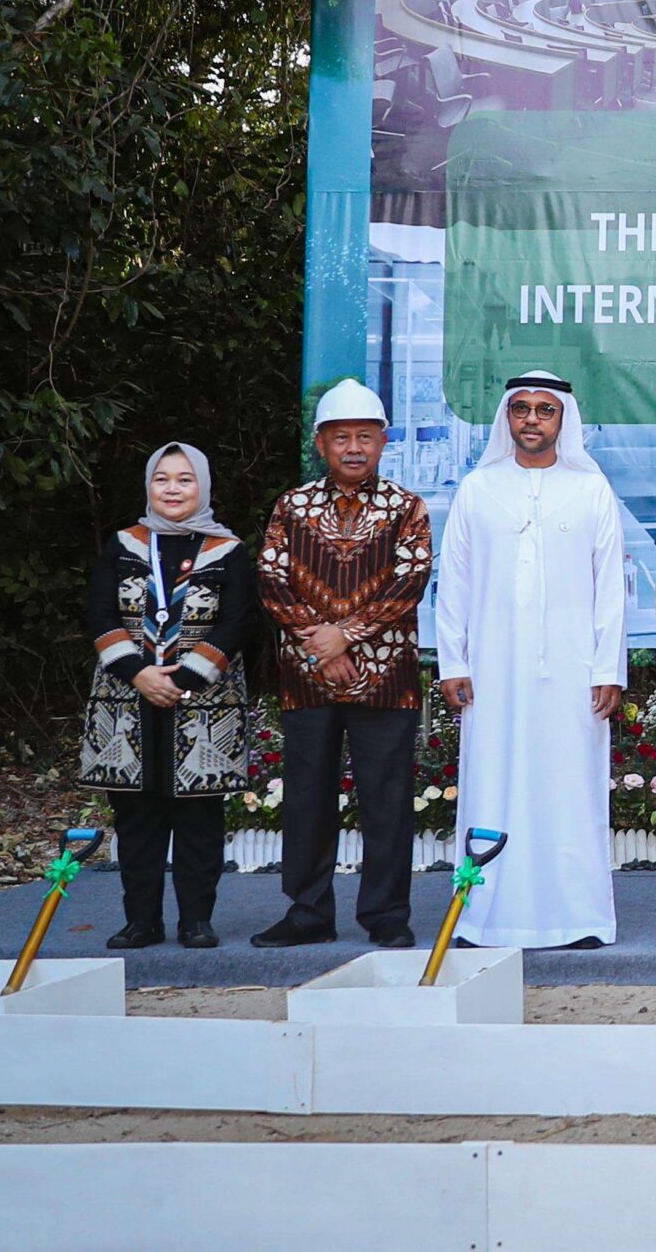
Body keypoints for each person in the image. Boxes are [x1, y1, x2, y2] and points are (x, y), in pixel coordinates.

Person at [433, 372, 628, 949]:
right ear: (507, 418)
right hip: (491, 671)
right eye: (521, 409)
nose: (533, 420)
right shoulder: (478, 487)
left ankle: (578, 917)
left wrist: (606, 669)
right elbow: (455, 584)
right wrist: (453, 662)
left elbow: (609, 589)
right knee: (492, 779)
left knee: (571, 788)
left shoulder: (591, 489)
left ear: (562, 418)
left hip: (572, 673)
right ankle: (484, 916)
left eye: (545, 410)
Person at [251, 379, 434, 950]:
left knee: (387, 800)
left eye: (364, 437)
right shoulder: (293, 505)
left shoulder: (407, 508)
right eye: (341, 438)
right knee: (306, 797)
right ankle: (308, 912)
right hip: (307, 678)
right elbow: (272, 579)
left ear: (383, 442)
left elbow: (410, 582)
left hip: (387, 680)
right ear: (321, 443)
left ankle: (386, 914)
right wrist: (320, 647)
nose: (353, 448)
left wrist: (345, 636)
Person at [81, 443, 258, 950]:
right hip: (127, 700)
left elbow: (239, 619)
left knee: (199, 817)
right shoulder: (122, 545)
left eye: (185, 479)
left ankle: (195, 922)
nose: (173, 489)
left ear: (202, 486)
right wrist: (140, 673)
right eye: (163, 479)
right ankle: (142, 921)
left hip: (204, 705)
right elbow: (99, 614)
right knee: (136, 815)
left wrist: (183, 679)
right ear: (148, 487)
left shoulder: (228, 551)